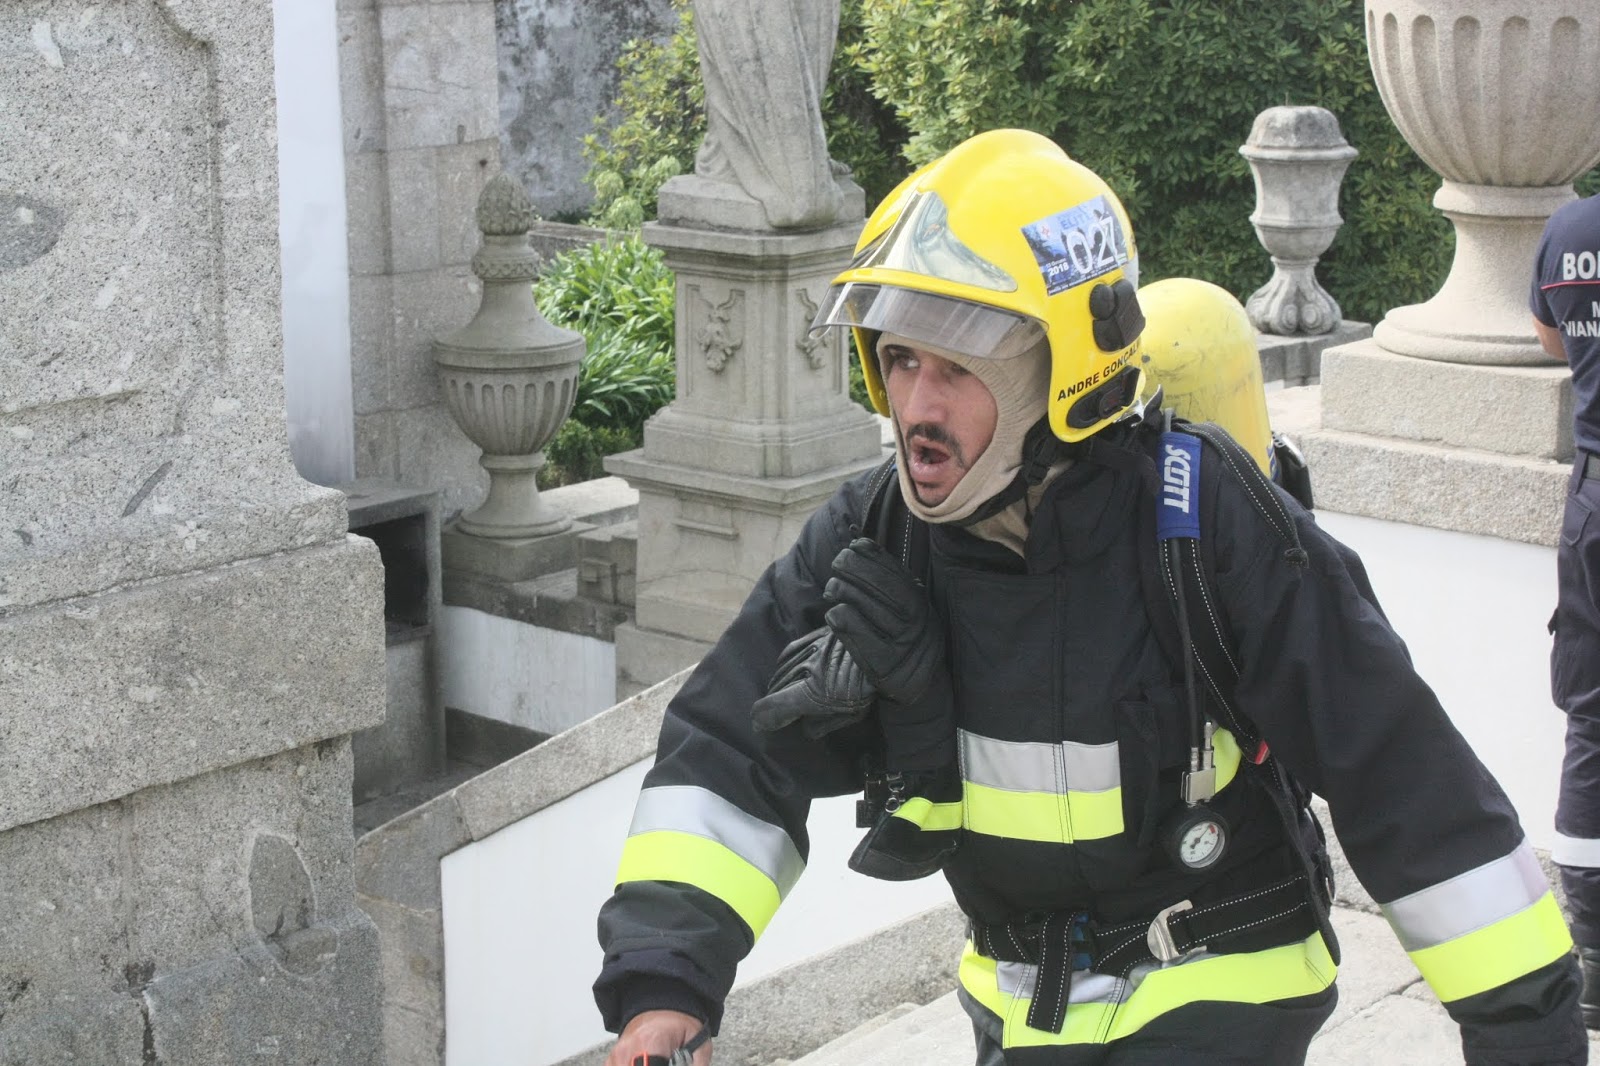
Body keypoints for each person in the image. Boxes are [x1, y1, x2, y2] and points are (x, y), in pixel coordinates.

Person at [596, 128, 1586, 1066]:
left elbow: (1401, 775)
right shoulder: (874, 534)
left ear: (1062, 370)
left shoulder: (1205, 518)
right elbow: (726, 754)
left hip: (1223, 974)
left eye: (957, 368)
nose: (918, 409)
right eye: (899, 360)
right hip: (1023, 998)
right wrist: (664, 985)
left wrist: (1526, 1032)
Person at [1531, 189, 1600, 1030]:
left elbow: (1551, 337)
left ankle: (1594, 959)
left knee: (1593, 722)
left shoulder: (1571, 229)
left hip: (1594, 507)